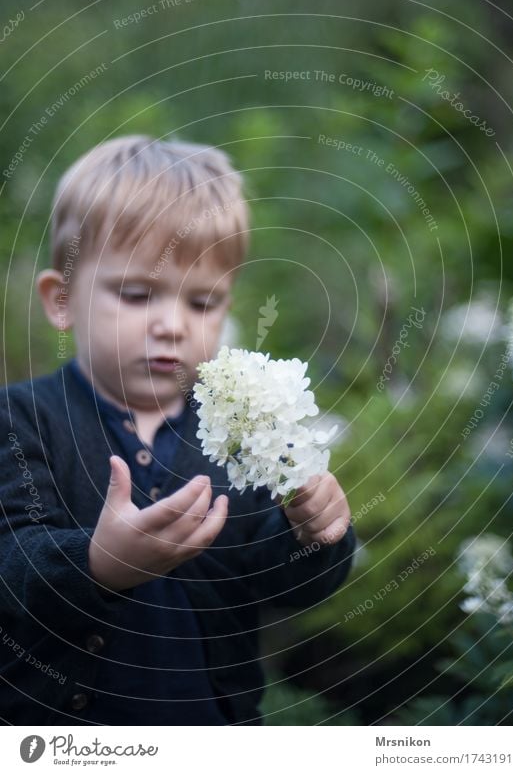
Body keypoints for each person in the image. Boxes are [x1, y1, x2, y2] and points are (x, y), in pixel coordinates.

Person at [0, 135, 355, 726]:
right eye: (137, 294)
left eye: (203, 301)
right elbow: (9, 561)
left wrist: (313, 531)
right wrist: (97, 564)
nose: (172, 325)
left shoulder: (243, 431)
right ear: (61, 301)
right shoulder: (20, 419)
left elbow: (287, 584)